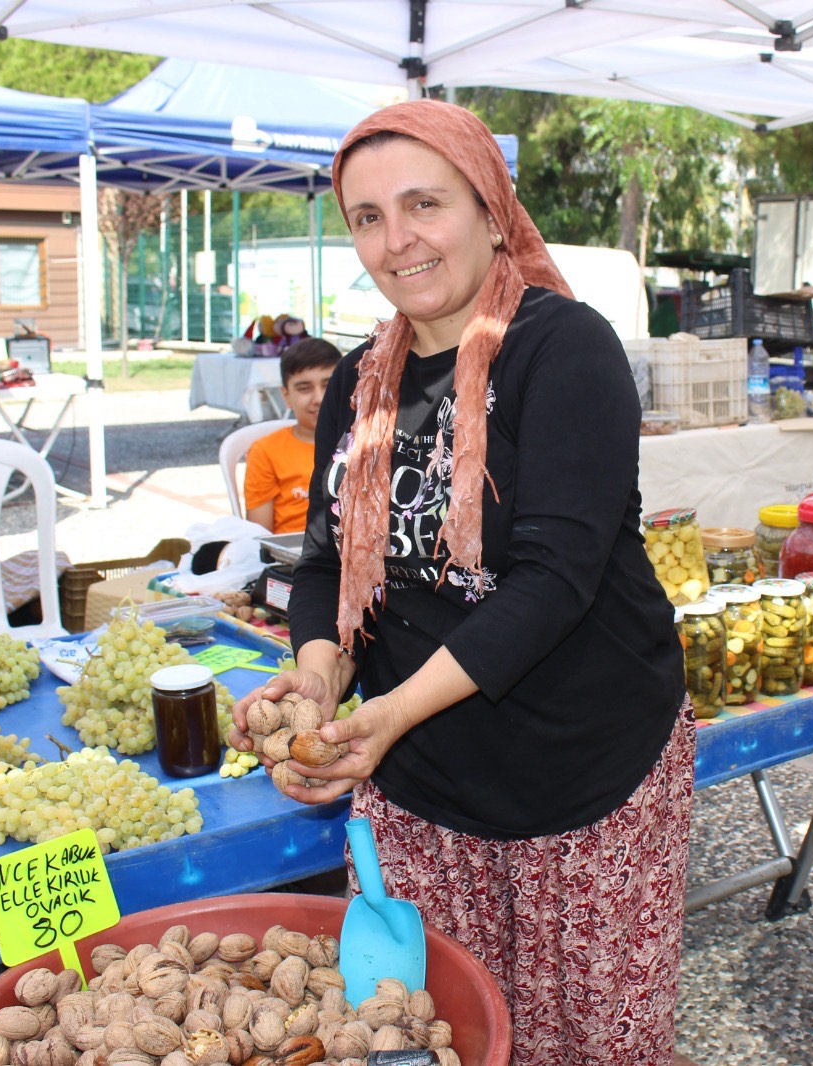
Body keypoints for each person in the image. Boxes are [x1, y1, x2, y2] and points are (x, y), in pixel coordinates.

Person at [229, 99, 693, 1066]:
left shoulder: (563, 350)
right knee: (427, 1038)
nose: (397, 241)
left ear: (489, 210)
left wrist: (389, 711)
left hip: (584, 775)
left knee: (588, 1045)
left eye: (423, 204)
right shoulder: (358, 380)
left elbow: (555, 580)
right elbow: (326, 564)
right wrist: (320, 679)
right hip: (423, 790)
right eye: (366, 217)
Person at [243, 337, 342, 534]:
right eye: (304, 388)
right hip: (291, 559)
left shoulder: (367, 444)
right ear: (286, 396)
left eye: (328, 385)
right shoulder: (266, 451)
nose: (319, 399)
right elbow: (260, 536)